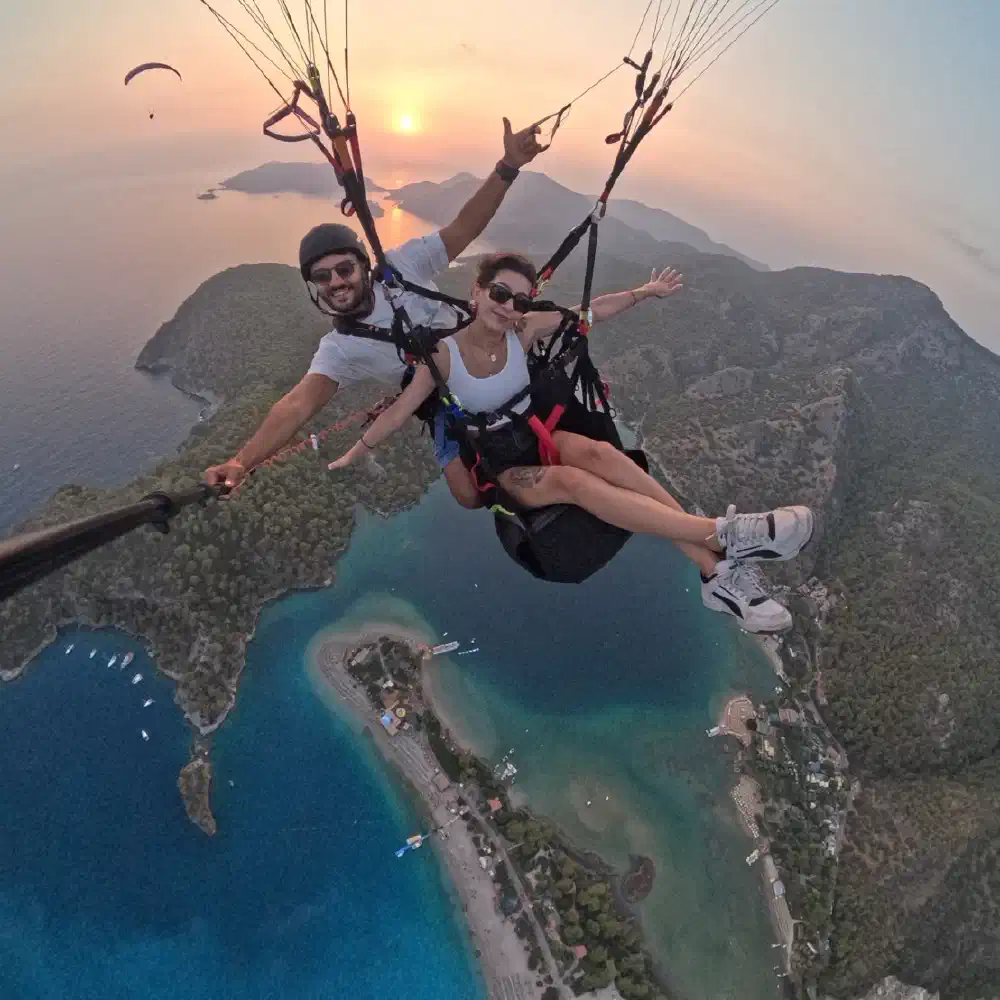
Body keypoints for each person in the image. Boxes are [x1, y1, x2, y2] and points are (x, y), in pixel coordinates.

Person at [330, 252, 814, 633]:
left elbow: (591, 312)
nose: (509, 306)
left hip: (539, 434)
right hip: (504, 469)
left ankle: (714, 571)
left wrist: (644, 292)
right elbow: (401, 409)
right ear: (476, 291)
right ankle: (723, 535)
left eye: (520, 301)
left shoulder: (524, 330)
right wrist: (359, 449)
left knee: (604, 454)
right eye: (500, 292)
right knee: (574, 483)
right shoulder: (443, 355)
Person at [203, 117, 549, 506]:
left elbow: (464, 228)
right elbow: (296, 405)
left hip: (486, 348)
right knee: (468, 496)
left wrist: (508, 167)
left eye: (344, 269)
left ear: (363, 267)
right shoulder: (340, 350)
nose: (336, 282)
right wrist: (241, 461)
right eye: (322, 277)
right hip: (445, 400)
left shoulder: (402, 266)